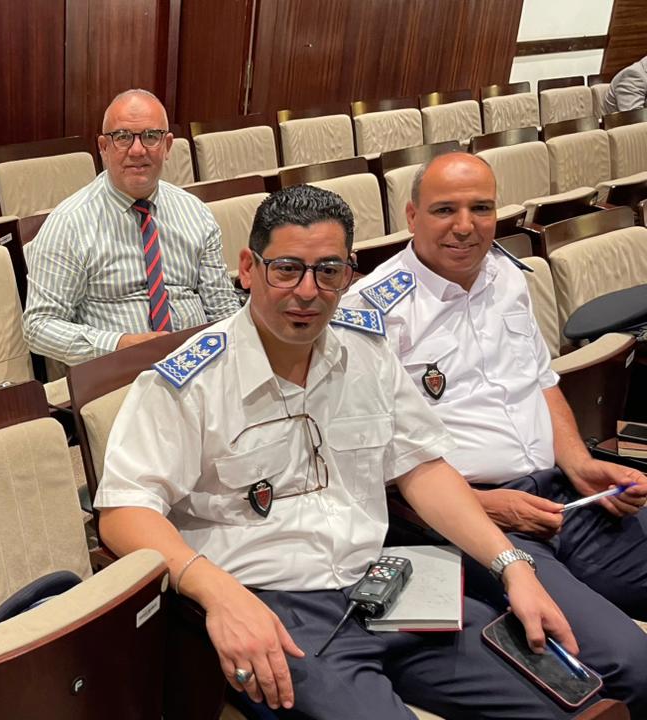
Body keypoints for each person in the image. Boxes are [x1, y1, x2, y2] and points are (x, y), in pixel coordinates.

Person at [94, 184, 596, 718]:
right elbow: (124, 512)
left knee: (563, 705)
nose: (308, 292)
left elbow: (422, 467)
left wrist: (512, 566)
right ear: (247, 268)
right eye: (287, 269)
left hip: (384, 583)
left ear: (349, 274)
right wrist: (218, 593)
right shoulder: (189, 381)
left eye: (329, 271)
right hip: (273, 605)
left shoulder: (367, 351)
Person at [342, 152, 647, 711]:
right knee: (631, 665)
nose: (465, 226)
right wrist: (483, 504)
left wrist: (579, 463)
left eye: (481, 208)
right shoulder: (371, 313)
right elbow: (368, 463)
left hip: (563, 497)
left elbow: (541, 381)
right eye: (445, 210)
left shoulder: (506, 274)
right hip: (476, 523)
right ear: (411, 216)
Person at [22, 89, 242, 367]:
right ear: (104, 147)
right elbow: (38, 327)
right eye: (123, 137)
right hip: (118, 372)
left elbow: (222, 307)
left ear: (167, 145)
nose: (137, 150)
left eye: (150, 136)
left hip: (199, 363)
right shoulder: (69, 224)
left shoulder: (195, 212)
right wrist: (119, 345)